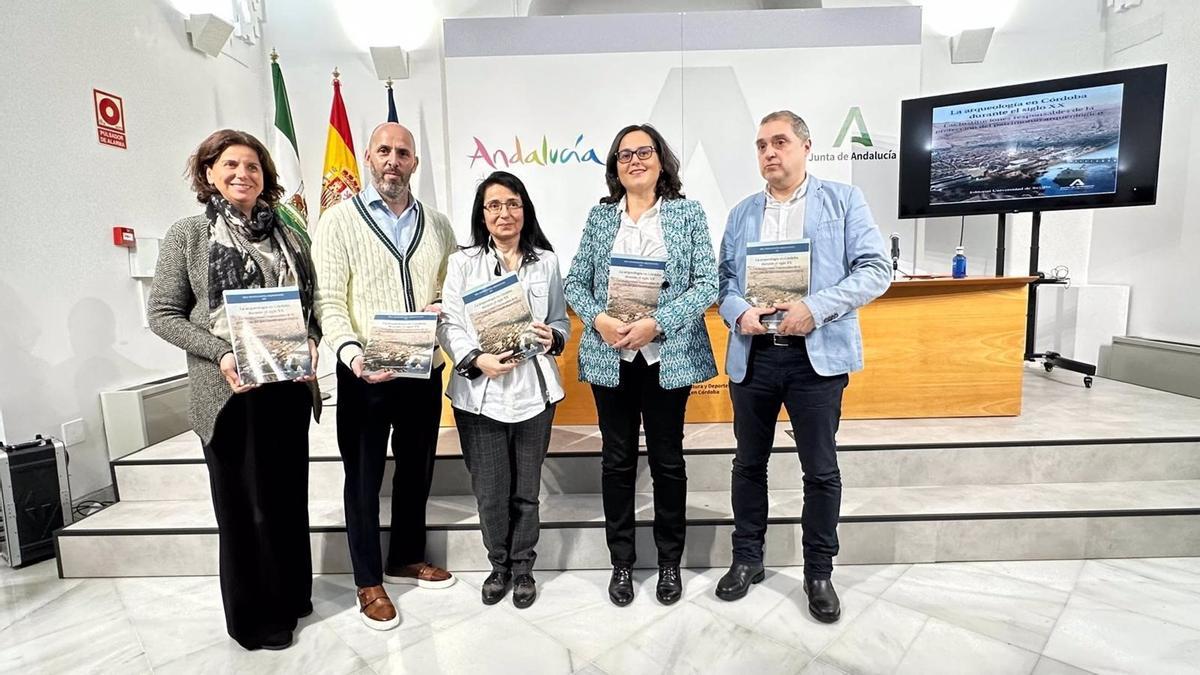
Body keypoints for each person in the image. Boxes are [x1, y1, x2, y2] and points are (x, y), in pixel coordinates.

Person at [147, 129, 321, 651]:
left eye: (253, 166)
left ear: (266, 177)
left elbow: (308, 307)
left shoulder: (290, 233)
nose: (243, 174)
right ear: (208, 173)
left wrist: (311, 341)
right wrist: (220, 353)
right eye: (231, 165)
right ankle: (255, 618)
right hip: (227, 393)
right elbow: (161, 314)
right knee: (245, 508)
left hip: (286, 388)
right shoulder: (188, 235)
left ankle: (291, 596)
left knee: (288, 499)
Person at [714, 110, 890, 622]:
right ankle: (748, 560)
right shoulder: (743, 212)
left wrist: (816, 306)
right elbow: (724, 282)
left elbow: (876, 270)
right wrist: (737, 312)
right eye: (762, 145)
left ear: (806, 148)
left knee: (820, 470)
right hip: (755, 357)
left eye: (781, 142)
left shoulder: (843, 200)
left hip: (818, 356)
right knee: (749, 465)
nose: (770, 152)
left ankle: (819, 571)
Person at [311, 121, 458, 631]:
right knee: (364, 480)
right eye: (383, 151)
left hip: (423, 370)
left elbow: (449, 286)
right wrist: (353, 356)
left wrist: (442, 309)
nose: (393, 160)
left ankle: (406, 557)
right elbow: (328, 301)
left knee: (416, 470)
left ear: (414, 162)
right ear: (368, 159)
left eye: (403, 152)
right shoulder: (338, 222)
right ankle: (368, 579)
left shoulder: (438, 225)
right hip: (363, 375)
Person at [564, 124, 718, 607]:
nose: (634, 160)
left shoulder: (687, 214)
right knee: (616, 461)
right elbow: (575, 284)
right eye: (624, 154)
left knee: (669, 461)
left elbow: (707, 283)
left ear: (661, 160)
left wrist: (659, 323)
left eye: (643, 152)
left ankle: (669, 560)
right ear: (615, 166)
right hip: (612, 356)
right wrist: (599, 319)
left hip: (663, 354)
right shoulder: (600, 216)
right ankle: (622, 563)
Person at [437, 171, 569, 609]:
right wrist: (476, 360)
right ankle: (499, 565)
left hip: (534, 394)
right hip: (480, 396)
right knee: (491, 491)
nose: (503, 213)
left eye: (512, 203)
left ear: (524, 209)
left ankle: (524, 566)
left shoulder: (546, 261)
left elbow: (561, 322)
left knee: (525, 491)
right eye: (493, 205)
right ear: (482, 213)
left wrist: (553, 336)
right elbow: (450, 322)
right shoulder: (462, 262)